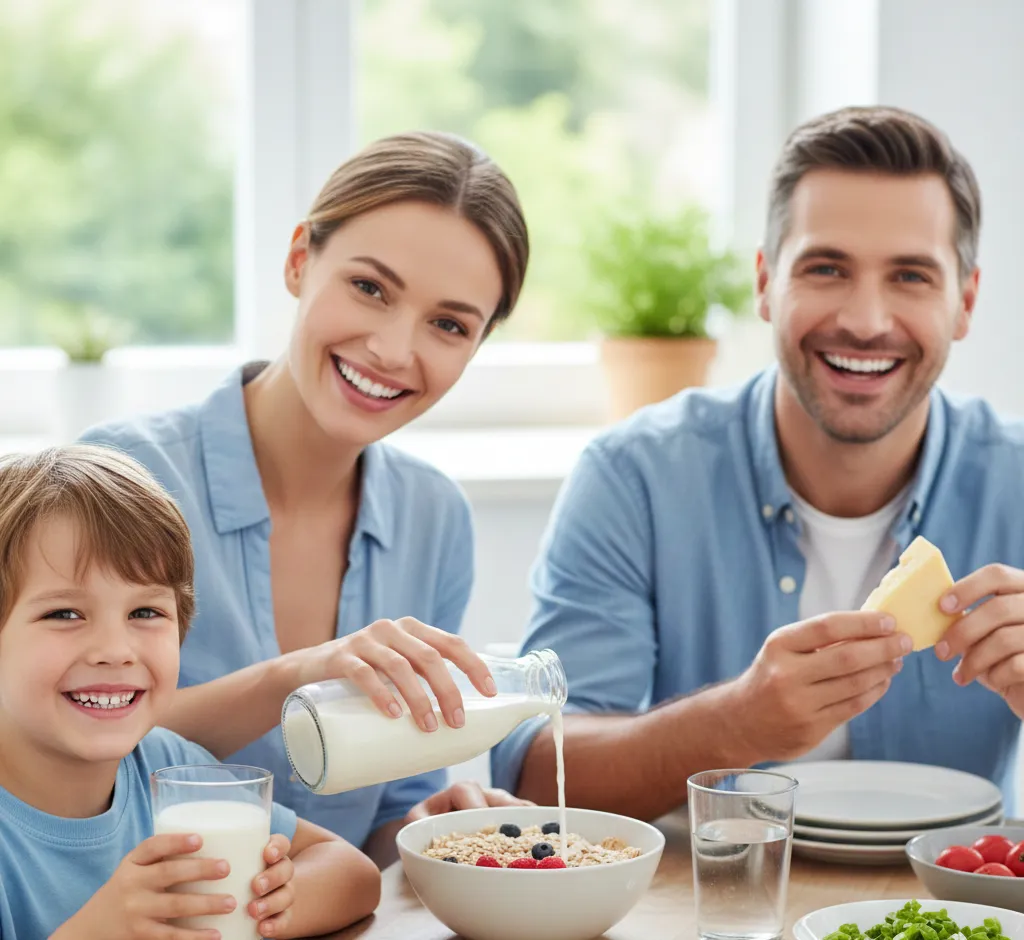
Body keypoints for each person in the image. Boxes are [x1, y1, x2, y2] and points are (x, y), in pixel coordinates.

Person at [491, 105, 1024, 820]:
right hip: (705, 887)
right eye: (826, 268)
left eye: (910, 276)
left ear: (966, 301)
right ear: (766, 283)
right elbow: (535, 771)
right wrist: (733, 723)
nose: (866, 321)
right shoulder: (635, 478)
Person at [79, 131, 532, 866]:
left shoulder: (434, 519)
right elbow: (65, 751)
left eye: (449, 325)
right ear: (299, 260)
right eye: (370, 288)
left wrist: (425, 826)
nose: (393, 350)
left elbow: (384, 815)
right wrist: (294, 677)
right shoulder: (121, 478)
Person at [0, 445, 381, 938]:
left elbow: (352, 874)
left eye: (145, 612)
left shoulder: (165, 765)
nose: (115, 651)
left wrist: (271, 904)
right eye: (64, 614)